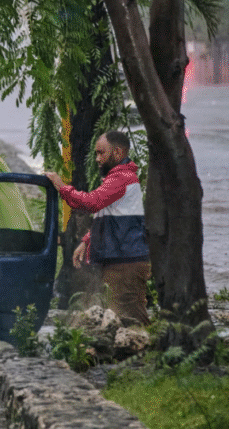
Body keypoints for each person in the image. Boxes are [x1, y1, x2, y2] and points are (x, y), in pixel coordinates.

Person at [45, 130, 150, 326]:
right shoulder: (118, 178)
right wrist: (86, 241)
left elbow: (92, 203)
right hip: (121, 261)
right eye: (96, 153)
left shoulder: (121, 179)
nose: (97, 159)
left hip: (125, 263)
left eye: (101, 153)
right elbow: (111, 217)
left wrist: (61, 186)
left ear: (118, 153)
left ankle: (148, 354)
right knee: (122, 319)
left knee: (131, 321)